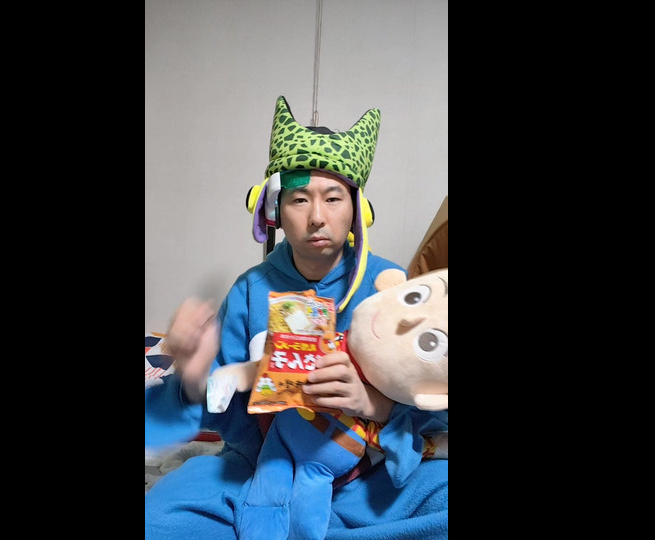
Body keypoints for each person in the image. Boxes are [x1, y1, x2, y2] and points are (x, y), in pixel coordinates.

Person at [145, 96, 447, 540]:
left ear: (357, 209)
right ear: (274, 210)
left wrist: (374, 405)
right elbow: (221, 411)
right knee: (158, 518)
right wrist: (194, 377)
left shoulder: (390, 285)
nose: (317, 217)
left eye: (333, 198)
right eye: (299, 199)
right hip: (259, 469)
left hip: (368, 470)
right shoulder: (250, 289)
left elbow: (434, 399)